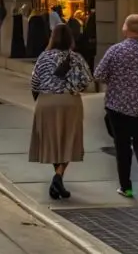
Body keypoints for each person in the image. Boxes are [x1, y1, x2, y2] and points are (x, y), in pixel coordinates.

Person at [94, 14, 138, 198]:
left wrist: (115, 81)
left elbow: (99, 75)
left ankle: (126, 187)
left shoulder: (115, 51)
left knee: (122, 146)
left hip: (118, 107)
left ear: (126, 28)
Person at [29, 24, 92, 200]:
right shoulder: (76, 58)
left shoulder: (43, 57)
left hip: (46, 102)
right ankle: (58, 177)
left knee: (52, 141)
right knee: (68, 140)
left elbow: (34, 82)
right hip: (69, 101)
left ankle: (58, 179)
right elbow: (87, 81)